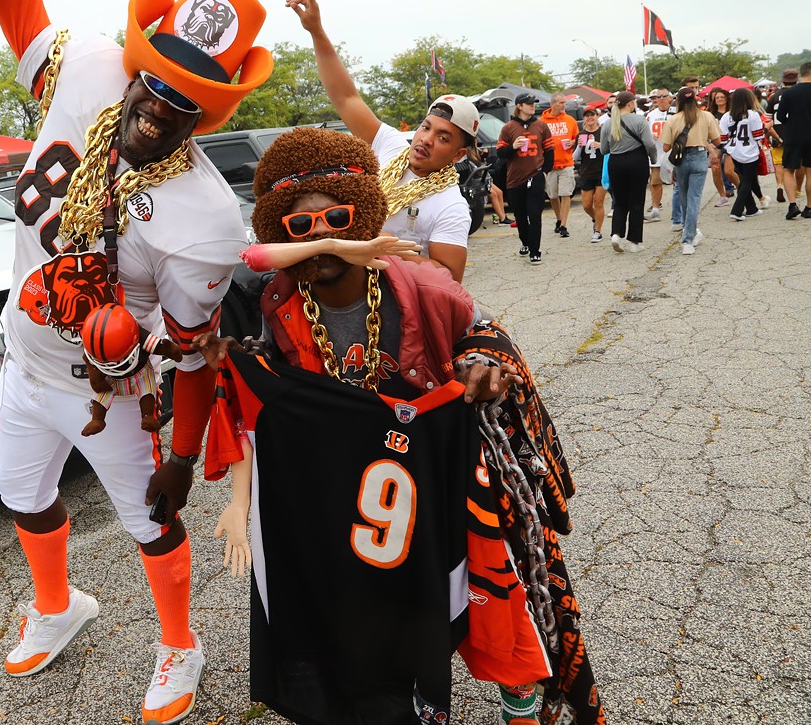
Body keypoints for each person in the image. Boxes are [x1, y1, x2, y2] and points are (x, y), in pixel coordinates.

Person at [0, 0, 273, 721]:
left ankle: (179, 646)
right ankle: (58, 608)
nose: (160, 109)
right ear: (133, 64)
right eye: (154, 82)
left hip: (113, 388)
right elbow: (15, 7)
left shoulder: (201, 217)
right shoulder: (84, 68)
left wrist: (185, 455)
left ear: (209, 113)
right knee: (22, 494)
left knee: (148, 522)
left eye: (186, 102)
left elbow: (196, 351)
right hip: (26, 362)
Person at [193, 126, 605, 725]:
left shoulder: (422, 285)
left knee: (494, 600)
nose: (320, 237)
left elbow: (484, 330)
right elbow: (246, 393)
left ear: (361, 216)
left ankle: (517, 696)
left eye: (336, 218)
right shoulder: (274, 304)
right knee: (374, 605)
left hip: (437, 460)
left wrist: (483, 362)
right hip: (355, 482)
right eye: (299, 228)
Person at [286, 0, 472, 282]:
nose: (426, 139)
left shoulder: (450, 204)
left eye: (443, 137)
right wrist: (316, 32)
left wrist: (388, 246)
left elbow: (450, 278)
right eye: (426, 127)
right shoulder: (391, 146)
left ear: (458, 154)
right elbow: (347, 98)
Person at [659, 87, 721, 255]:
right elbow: (717, 140)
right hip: (699, 156)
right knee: (694, 198)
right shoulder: (706, 116)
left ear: (678, 101)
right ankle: (688, 238)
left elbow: (665, 147)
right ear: (695, 100)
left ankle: (689, 234)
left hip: (681, 160)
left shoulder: (673, 119)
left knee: (685, 197)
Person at [496, 94, 553, 264]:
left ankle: (535, 251)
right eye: (528, 104)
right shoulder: (508, 128)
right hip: (515, 179)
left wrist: (544, 172)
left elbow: (549, 151)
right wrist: (513, 147)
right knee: (521, 216)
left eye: (533, 103)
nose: (532, 106)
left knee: (535, 215)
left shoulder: (541, 125)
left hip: (535, 176)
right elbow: (500, 153)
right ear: (519, 106)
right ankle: (525, 242)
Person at [601, 90, 656, 252]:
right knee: (637, 202)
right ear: (631, 104)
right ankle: (634, 242)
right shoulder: (639, 120)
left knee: (620, 200)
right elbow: (650, 144)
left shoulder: (608, 124)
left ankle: (616, 234)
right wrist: (653, 159)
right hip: (636, 161)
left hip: (616, 162)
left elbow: (604, 150)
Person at [776, 61, 811, 220]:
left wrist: (792, 122)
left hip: (793, 136)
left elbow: (780, 116)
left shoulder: (789, 93)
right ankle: (809, 207)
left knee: (788, 169)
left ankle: (793, 205)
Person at [720, 88, 767, 222]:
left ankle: (752, 208)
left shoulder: (726, 116)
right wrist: (767, 128)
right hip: (750, 152)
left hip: (734, 152)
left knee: (746, 179)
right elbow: (758, 135)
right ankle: (737, 210)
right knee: (747, 181)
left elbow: (723, 138)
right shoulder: (753, 115)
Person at [540, 94, 580, 239]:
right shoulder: (542, 122)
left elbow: (577, 137)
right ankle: (558, 218)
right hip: (550, 165)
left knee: (566, 193)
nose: (564, 105)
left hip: (566, 163)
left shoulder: (570, 120)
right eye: (561, 103)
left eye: (565, 103)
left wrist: (573, 142)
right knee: (553, 195)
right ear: (552, 104)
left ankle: (563, 224)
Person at [574, 108, 607, 241]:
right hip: (586, 173)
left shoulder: (603, 132)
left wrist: (601, 145)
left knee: (598, 202)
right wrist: (579, 146)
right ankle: (595, 219)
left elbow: (611, 150)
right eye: (587, 116)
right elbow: (575, 157)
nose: (590, 118)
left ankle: (598, 231)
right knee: (587, 205)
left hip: (601, 172)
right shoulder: (581, 134)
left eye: (592, 115)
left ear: (597, 116)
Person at [643, 88, 673, 223]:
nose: (661, 99)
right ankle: (655, 209)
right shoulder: (651, 115)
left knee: (678, 183)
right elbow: (644, 132)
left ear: (670, 98)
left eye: (664, 96)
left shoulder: (676, 113)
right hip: (657, 153)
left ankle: (681, 210)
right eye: (658, 96)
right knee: (655, 182)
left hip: (673, 153)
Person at [705, 86, 733, 206]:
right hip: (716, 144)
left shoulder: (733, 112)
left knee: (731, 170)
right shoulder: (710, 114)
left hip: (732, 143)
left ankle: (741, 189)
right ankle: (722, 196)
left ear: (727, 98)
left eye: (722, 97)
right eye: (717, 97)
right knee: (716, 169)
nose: (720, 99)